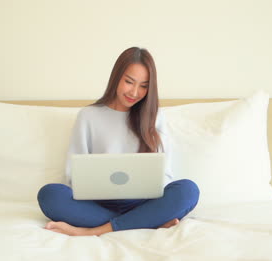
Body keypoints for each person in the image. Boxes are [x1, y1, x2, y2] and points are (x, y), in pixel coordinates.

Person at [37, 47, 199, 236]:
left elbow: (165, 173)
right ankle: (147, 222)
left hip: (144, 202)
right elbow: (73, 173)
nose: (135, 92)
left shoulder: (155, 117)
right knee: (50, 195)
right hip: (97, 203)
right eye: (129, 82)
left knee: (188, 190)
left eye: (144, 86)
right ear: (116, 77)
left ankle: (91, 231)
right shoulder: (88, 116)